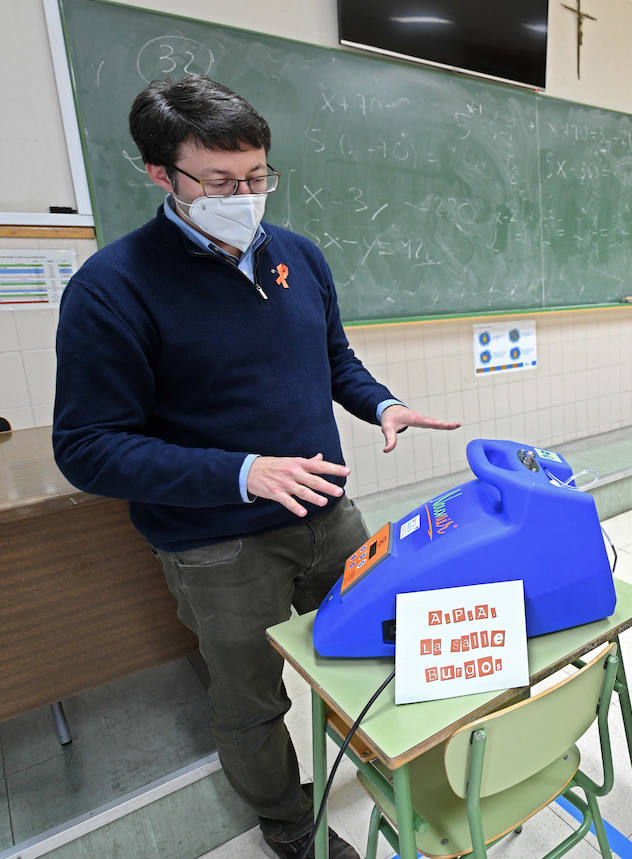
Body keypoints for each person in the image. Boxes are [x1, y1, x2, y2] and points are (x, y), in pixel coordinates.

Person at [52, 76, 460, 859]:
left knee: (385, 639)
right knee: (249, 699)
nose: (245, 196)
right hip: (218, 545)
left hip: (330, 513)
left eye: (258, 176)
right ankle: (287, 817)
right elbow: (90, 446)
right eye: (221, 181)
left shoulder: (297, 257)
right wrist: (242, 472)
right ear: (161, 174)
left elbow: (332, 358)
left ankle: (401, 764)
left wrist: (381, 404)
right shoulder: (113, 289)